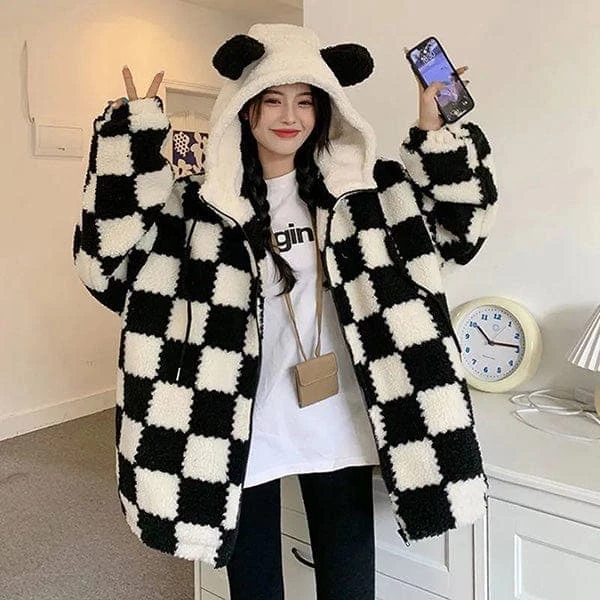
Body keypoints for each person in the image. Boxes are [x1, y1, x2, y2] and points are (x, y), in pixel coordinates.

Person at [72, 23, 498, 600]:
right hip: (234, 420)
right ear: (244, 107)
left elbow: (460, 231)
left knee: (350, 587)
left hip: (338, 416)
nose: (289, 116)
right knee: (254, 588)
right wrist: (130, 142)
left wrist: (434, 132)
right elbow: (105, 263)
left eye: (305, 101)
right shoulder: (199, 205)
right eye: (272, 99)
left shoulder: (365, 193)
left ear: (326, 108)